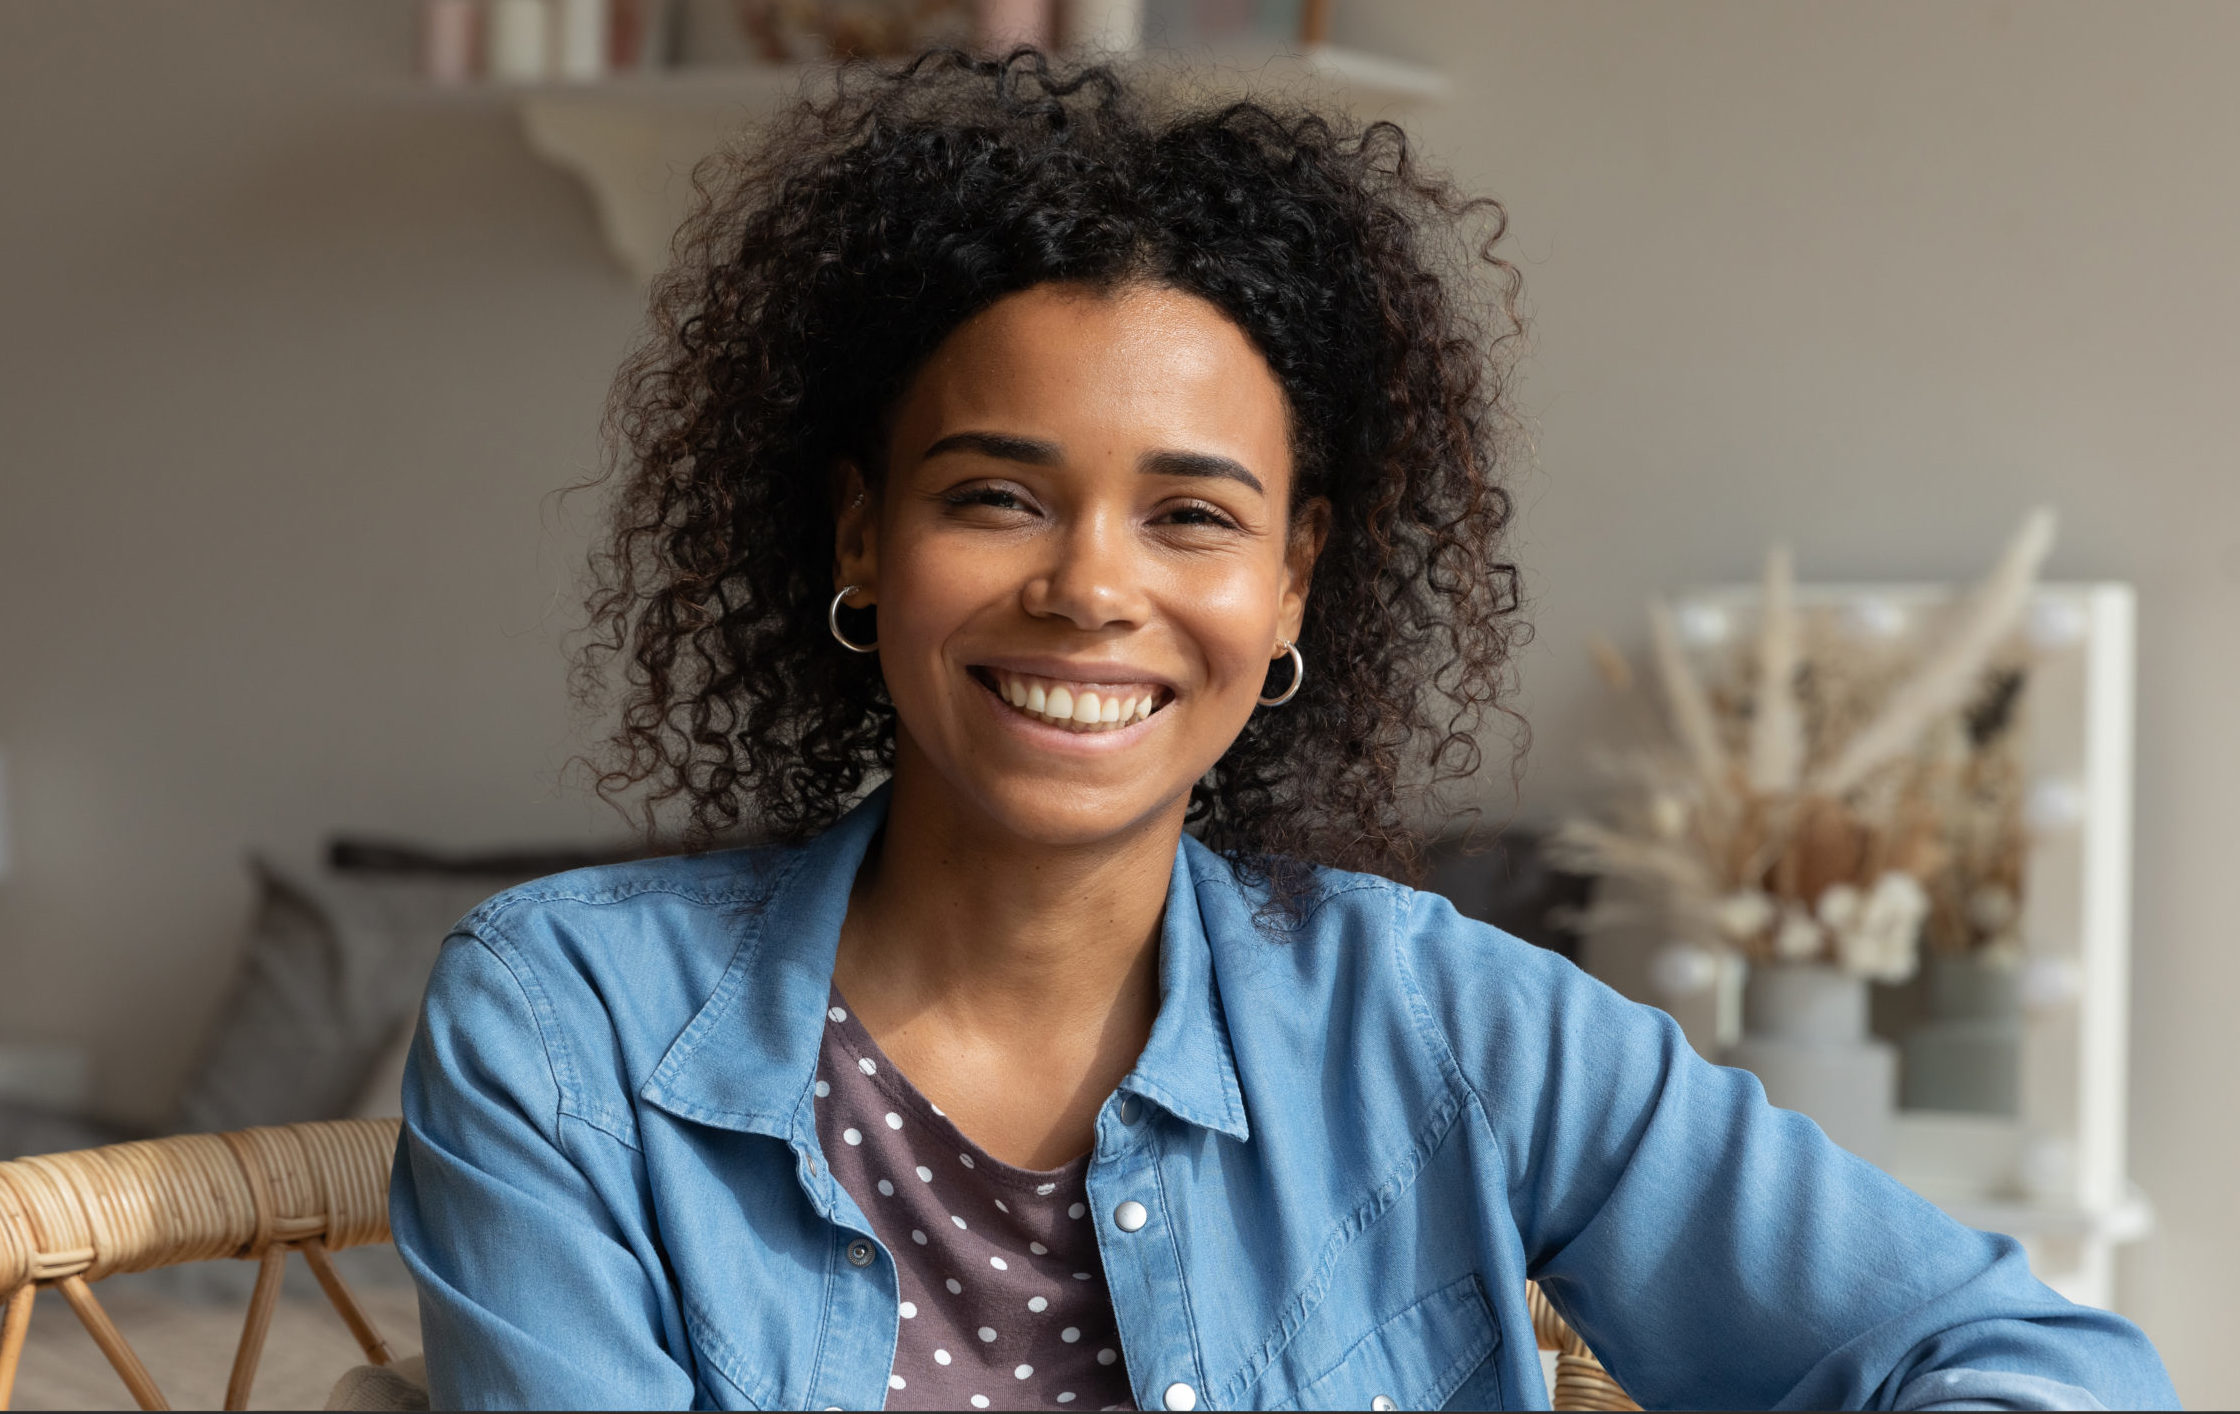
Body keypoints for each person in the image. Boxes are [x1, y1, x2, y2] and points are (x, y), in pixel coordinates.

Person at [389, 50, 2176, 1411]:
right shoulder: (564, 1032)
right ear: (863, 534)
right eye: (998, 496)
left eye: (1192, 516)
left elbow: (2025, 1358)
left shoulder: (1444, 1022)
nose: (1093, 589)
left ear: (1296, 582)